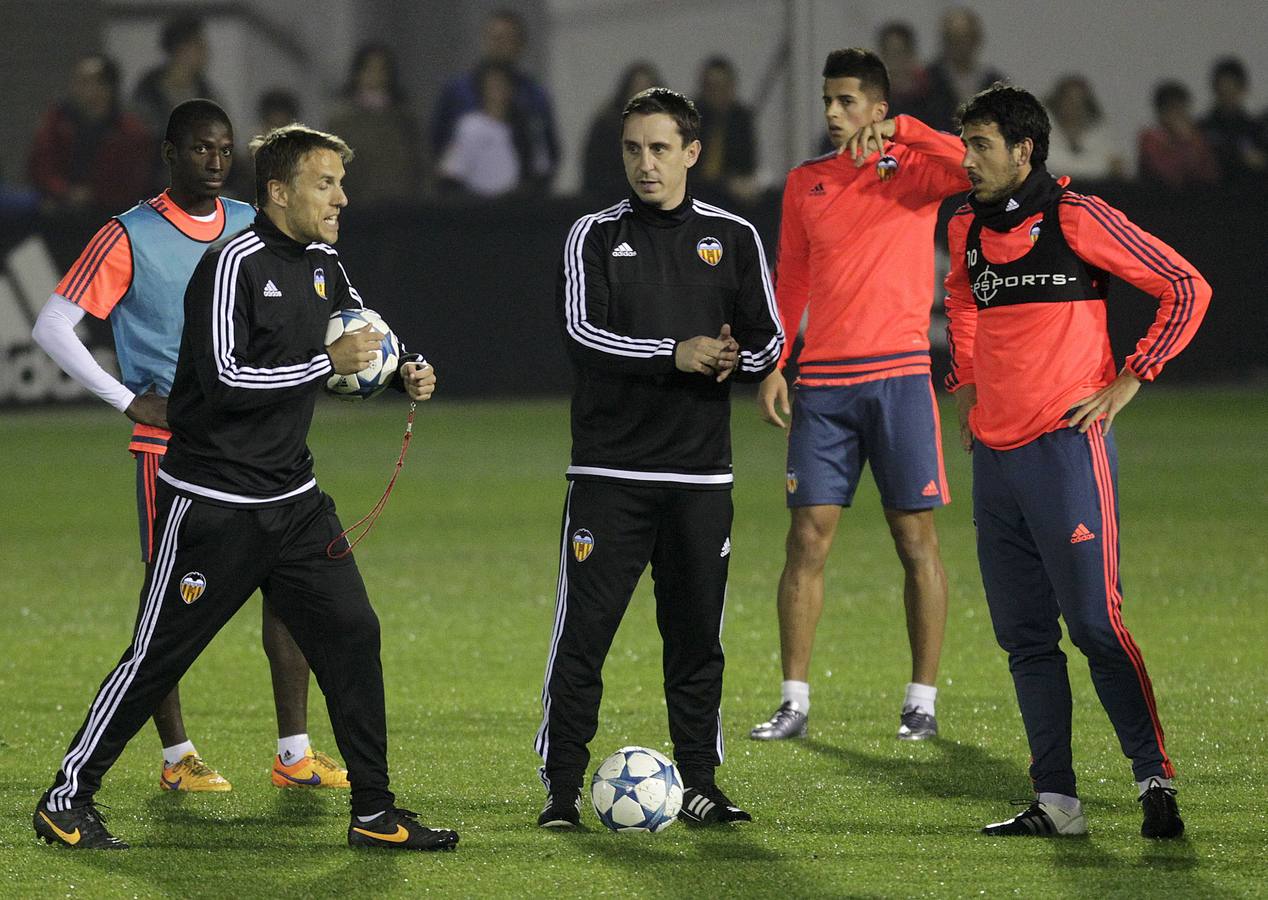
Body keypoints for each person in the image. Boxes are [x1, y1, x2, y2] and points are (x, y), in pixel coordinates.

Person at [32, 124, 456, 852]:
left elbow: (366, 331)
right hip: (212, 503)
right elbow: (227, 382)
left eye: (341, 185)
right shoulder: (231, 263)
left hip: (294, 502)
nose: (342, 199)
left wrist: (404, 366)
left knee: (354, 634)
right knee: (158, 654)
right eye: (326, 184)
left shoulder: (324, 260)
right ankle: (66, 798)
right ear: (280, 191)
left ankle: (376, 812)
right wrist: (326, 364)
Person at [31, 98, 352, 794]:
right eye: (201, 148)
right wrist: (125, 398)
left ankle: (293, 754)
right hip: (173, 450)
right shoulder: (130, 234)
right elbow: (53, 324)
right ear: (171, 153)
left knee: (289, 593)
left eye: (224, 148)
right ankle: (178, 758)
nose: (215, 159)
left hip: (260, 448)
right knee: (168, 608)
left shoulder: (247, 223)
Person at [944, 84, 1208, 838]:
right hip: (994, 460)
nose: (968, 160)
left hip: (1066, 450)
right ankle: (1057, 802)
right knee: (1025, 638)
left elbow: (1186, 286)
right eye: (965, 145)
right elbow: (962, 297)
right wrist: (967, 380)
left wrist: (1132, 377)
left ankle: (1153, 777)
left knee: (1095, 625)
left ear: (1025, 150)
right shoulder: (967, 226)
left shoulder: (1076, 216)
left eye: (981, 145)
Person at [534, 87, 783, 829]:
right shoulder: (591, 234)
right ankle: (562, 792)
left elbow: (769, 342)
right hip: (611, 474)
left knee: (697, 639)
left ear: (692, 154)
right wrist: (674, 353)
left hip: (701, 477)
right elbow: (581, 332)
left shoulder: (733, 236)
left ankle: (702, 785)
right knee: (583, 637)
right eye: (634, 150)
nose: (645, 164)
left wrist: (739, 357)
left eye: (660, 149)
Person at [749, 48, 967, 744]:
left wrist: (906, 129)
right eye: (827, 101)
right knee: (807, 538)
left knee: (914, 540)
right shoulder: (805, 183)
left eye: (847, 101)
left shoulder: (914, 170)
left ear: (876, 107)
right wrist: (777, 361)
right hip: (825, 388)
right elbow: (793, 280)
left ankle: (922, 701)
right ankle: (793, 700)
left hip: (901, 378)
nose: (834, 114)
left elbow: (974, 163)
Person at [431, 8, 560, 190]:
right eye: (496, 38)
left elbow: (547, 147)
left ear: (520, 44)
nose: (501, 46)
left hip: (521, 197)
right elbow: (439, 141)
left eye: (509, 39)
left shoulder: (534, 94)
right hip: (468, 198)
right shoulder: (457, 91)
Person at [28, 55, 154, 215]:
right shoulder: (57, 122)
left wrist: (94, 195)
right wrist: (64, 191)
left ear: (109, 86)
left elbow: (131, 181)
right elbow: (41, 166)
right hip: (59, 203)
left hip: (112, 210)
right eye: (79, 81)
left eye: (90, 82)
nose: (82, 88)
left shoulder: (130, 131)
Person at [328, 43, 423, 204]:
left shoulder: (405, 120)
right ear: (358, 74)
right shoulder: (342, 121)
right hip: (359, 208)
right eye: (370, 69)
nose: (376, 76)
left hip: (403, 207)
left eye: (382, 70)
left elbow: (420, 162)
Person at [437, 61, 542, 198]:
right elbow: (451, 173)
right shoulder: (470, 127)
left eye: (505, 85)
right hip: (477, 206)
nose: (500, 92)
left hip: (517, 205)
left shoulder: (526, 127)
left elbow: (540, 167)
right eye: (494, 86)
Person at [581, 61, 662, 200]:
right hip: (614, 198)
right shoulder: (608, 125)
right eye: (636, 90)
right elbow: (596, 170)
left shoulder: (667, 127)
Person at [132, 15, 220, 137]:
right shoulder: (148, 93)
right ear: (181, 49)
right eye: (199, 46)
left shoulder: (206, 93)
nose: (206, 52)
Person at [923, 8, 1006, 132]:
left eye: (964, 38)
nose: (959, 45)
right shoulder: (927, 81)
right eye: (952, 38)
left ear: (976, 39)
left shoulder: (994, 83)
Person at [693, 56, 759, 203]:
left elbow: (748, 164)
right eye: (711, 87)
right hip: (696, 190)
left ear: (731, 87)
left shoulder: (741, 118)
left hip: (731, 195)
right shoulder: (691, 116)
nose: (717, 93)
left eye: (722, 87)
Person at [1137, 81, 1219, 190]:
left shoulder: (1195, 137)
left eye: (1182, 108)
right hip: (1159, 198)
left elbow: (1210, 173)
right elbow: (1169, 175)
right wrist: (1182, 141)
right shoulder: (1150, 139)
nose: (1179, 114)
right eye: (1173, 109)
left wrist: (1190, 141)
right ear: (1161, 112)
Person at [1043, 75, 1127, 181]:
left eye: (1079, 100)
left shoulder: (1101, 133)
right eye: (1069, 99)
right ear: (1058, 101)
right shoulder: (1041, 131)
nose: (1074, 105)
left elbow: (1117, 165)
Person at [1199, 57, 1267, 184]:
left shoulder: (1255, 127)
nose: (1227, 94)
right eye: (1222, 89)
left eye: (1232, 88)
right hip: (1213, 195)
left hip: (1249, 196)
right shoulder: (1201, 128)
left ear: (1243, 89)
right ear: (1215, 89)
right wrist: (1240, 157)